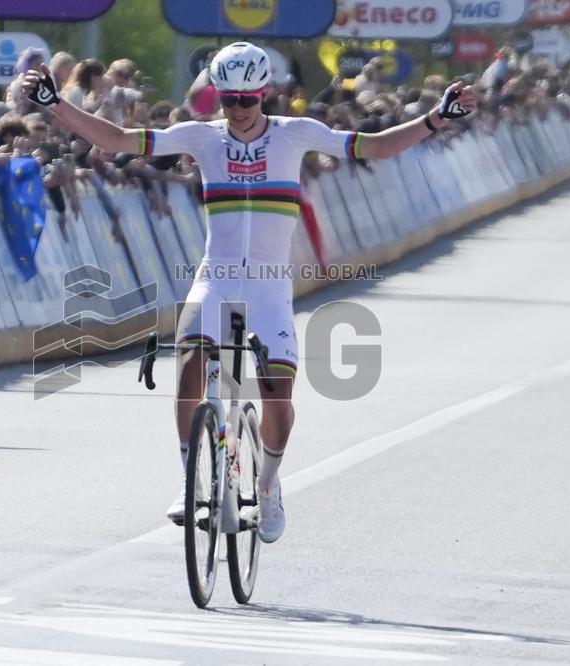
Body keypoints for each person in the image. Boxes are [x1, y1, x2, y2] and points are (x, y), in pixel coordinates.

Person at [23, 41, 476, 543]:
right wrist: (53, 106)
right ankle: (188, 480)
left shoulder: (295, 134)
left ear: (265, 95)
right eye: (228, 100)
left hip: (268, 288)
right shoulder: (202, 137)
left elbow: (374, 147)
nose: (238, 111)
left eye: (247, 100)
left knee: (277, 396)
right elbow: (118, 139)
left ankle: (267, 485)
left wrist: (437, 118)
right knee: (191, 362)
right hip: (215, 276)